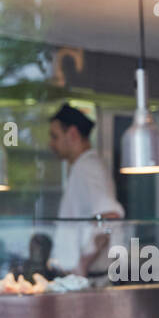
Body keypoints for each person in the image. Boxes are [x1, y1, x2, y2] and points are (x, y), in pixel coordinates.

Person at [47, 104, 124, 278]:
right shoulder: (82, 166)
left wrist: (81, 266)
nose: (51, 144)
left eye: (55, 136)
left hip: (88, 278)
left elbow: (109, 218)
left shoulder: (88, 167)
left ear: (73, 134)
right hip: (78, 277)